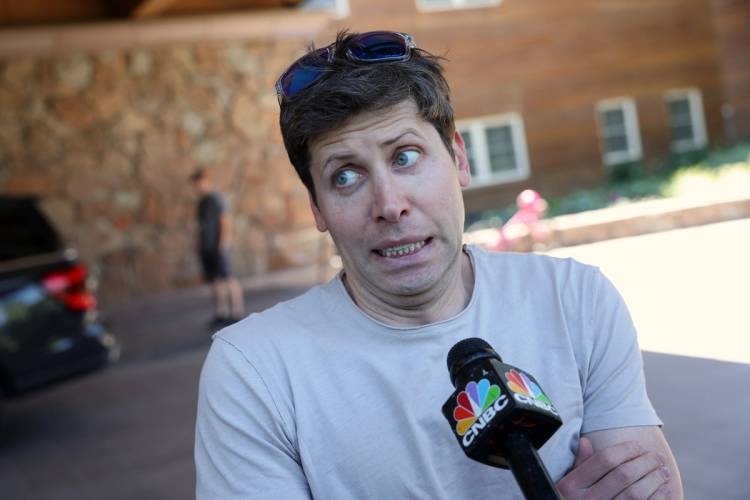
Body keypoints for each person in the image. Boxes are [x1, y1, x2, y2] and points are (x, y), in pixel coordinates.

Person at [195, 31, 683, 499]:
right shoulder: (254, 372)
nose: (389, 204)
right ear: (317, 208)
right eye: (345, 176)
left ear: (458, 158)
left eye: (405, 156)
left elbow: (652, 487)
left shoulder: (576, 300)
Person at [191, 168, 245, 327]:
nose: (198, 187)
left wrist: (224, 242)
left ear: (207, 181)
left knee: (228, 278)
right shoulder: (202, 202)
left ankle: (237, 312)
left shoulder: (216, 199)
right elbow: (200, 226)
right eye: (195, 184)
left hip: (218, 247)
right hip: (207, 248)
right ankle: (221, 313)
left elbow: (225, 220)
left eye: (199, 183)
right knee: (215, 281)